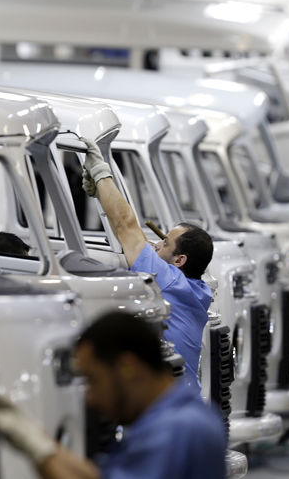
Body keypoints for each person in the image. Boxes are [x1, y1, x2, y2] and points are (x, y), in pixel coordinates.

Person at [0, 311, 227, 479]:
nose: (90, 398)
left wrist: (39, 450)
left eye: (93, 381)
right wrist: (37, 442)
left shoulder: (176, 431)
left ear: (128, 367)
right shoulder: (182, 412)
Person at [80, 137, 213, 389]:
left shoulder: (170, 282)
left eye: (165, 242)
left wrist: (100, 172)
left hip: (171, 406)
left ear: (179, 260)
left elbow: (127, 227)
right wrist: (103, 195)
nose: (156, 245)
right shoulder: (196, 290)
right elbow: (131, 235)